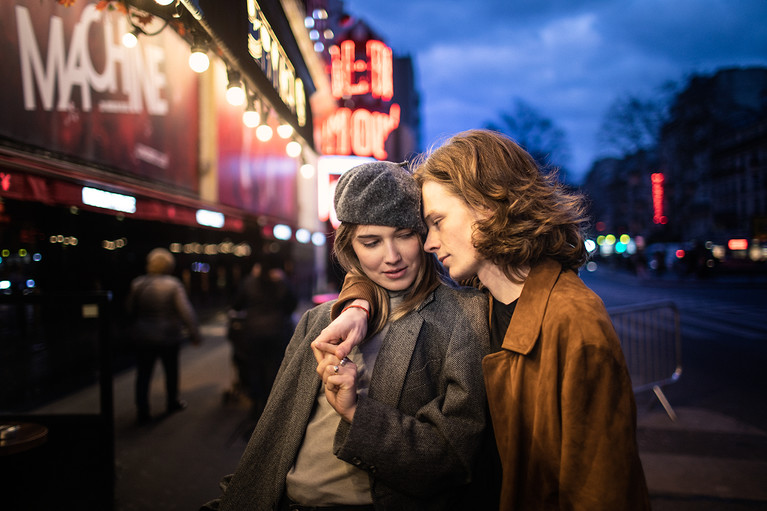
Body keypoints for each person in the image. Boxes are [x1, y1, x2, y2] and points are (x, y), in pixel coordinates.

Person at [316, 130, 651, 510]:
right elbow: (374, 266)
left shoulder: (572, 319)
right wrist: (358, 305)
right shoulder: (484, 298)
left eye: (437, 222)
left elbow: (601, 485)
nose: (428, 243)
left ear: (489, 206)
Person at [201, 161, 490, 510]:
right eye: (371, 242)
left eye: (404, 235)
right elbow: (275, 431)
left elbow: (453, 460)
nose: (392, 257)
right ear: (350, 248)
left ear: (424, 235)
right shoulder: (319, 320)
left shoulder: (464, 315)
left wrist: (357, 412)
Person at [127, 247, 201, 425]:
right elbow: (186, 311)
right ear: (169, 265)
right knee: (171, 371)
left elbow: (129, 309)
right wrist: (194, 332)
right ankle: (172, 403)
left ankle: (143, 410)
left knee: (143, 374)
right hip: (168, 336)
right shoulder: (173, 284)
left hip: (144, 336)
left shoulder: (138, 284)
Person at [227, 258, 297, 418]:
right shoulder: (281, 282)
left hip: (253, 332)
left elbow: (237, 304)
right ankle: (270, 404)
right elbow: (292, 303)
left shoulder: (249, 282)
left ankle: (255, 402)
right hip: (277, 331)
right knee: (273, 366)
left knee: (254, 365)